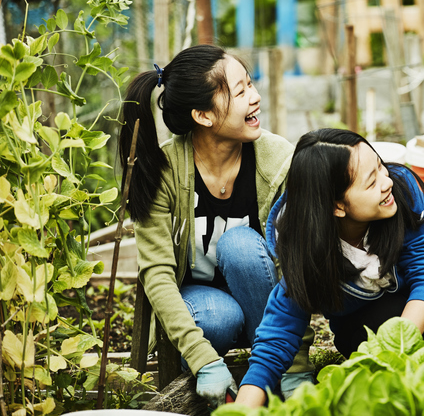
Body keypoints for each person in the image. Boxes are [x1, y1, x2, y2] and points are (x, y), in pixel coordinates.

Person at [235, 128, 424, 407]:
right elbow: (277, 337)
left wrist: (402, 343)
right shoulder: (306, 246)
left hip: (422, 309)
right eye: (370, 182)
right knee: (381, 318)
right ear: (337, 206)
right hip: (369, 333)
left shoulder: (401, 190)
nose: (386, 181)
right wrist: (240, 411)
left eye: (380, 165)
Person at [119, 45, 313, 409]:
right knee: (220, 317)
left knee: (239, 245)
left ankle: (277, 366)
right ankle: (217, 368)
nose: (255, 98)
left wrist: (296, 362)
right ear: (203, 115)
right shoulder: (164, 170)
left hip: (267, 307)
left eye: (250, 85)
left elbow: (292, 264)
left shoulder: (277, 160)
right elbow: (157, 274)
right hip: (207, 309)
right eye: (241, 92)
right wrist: (202, 358)